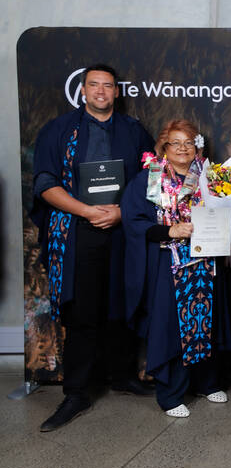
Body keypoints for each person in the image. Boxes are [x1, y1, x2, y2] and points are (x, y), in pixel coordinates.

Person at [32, 64, 153, 432]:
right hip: (77, 232)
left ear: (117, 92)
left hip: (122, 230)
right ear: (83, 90)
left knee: (121, 303)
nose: (101, 91)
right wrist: (86, 210)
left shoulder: (135, 132)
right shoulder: (58, 131)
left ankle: (122, 375)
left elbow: (151, 182)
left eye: (108, 86)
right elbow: (45, 183)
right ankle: (77, 391)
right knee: (82, 311)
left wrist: (121, 211)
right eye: (94, 85)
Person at [122, 120, 228, 417]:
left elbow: (229, 214)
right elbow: (134, 222)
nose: (183, 148)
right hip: (169, 265)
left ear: (197, 147)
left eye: (189, 142)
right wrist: (170, 231)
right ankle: (171, 394)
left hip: (206, 263)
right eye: (176, 143)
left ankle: (207, 383)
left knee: (206, 322)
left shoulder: (210, 177)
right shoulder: (150, 179)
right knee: (172, 327)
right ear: (164, 148)